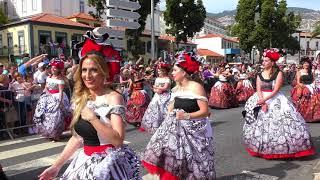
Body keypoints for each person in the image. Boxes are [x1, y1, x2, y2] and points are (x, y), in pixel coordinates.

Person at [38, 53, 140, 180]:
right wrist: (56, 166)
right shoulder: (81, 98)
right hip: (84, 161)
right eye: (84, 70)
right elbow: (77, 138)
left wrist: (93, 118)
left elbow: (118, 140)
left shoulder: (114, 97)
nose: (87, 75)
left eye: (94, 70)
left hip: (107, 166)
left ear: (104, 72)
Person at [142, 51, 215, 179]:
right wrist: (170, 110)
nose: (172, 73)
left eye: (175, 70)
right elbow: (172, 106)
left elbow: (205, 112)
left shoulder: (196, 87)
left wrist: (186, 116)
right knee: (172, 157)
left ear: (184, 72)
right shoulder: (176, 89)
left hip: (194, 132)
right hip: (175, 131)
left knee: (194, 162)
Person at [242, 49, 315, 159]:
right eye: (263, 60)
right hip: (261, 98)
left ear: (272, 62)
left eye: (266, 61)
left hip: (274, 98)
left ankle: (282, 148)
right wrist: (262, 102)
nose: (263, 62)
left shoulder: (279, 73)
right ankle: (263, 146)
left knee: (281, 124)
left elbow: (276, 90)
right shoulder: (259, 74)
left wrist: (266, 101)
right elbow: (258, 89)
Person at [33, 59, 70, 141]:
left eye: (55, 68)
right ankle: (50, 133)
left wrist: (60, 102)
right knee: (47, 116)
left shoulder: (60, 79)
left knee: (56, 117)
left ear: (59, 69)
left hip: (57, 98)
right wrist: (43, 96)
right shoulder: (49, 77)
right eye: (52, 67)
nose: (53, 69)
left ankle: (56, 134)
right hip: (48, 98)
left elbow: (60, 91)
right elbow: (46, 88)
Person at [140, 63, 171, 133]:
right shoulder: (157, 79)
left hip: (165, 97)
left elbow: (165, 88)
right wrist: (152, 87)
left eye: (160, 71)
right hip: (157, 96)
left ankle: (165, 125)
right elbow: (154, 89)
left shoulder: (167, 79)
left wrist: (157, 88)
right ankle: (156, 125)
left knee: (164, 110)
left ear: (164, 71)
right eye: (158, 71)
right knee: (155, 109)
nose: (159, 72)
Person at [291, 57, 320, 122]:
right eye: (305, 63)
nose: (306, 64)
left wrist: (313, 85)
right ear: (302, 64)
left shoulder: (311, 71)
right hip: (302, 86)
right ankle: (302, 116)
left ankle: (313, 116)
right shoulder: (299, 72)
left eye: (307, 63)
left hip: (311, 86)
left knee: (316, 100)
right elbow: (298, 81)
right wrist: (304, 87)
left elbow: (313, 80)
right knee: (303, 99)